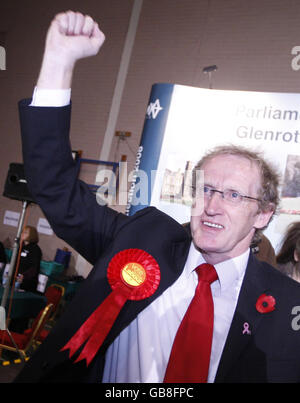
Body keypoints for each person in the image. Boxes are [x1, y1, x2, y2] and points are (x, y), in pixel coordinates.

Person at [15, 11, 300, 383]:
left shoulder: (286, 304)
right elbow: (54, 186)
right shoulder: (142, 239)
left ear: (263, 214)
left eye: (232, 195)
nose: (212, 205)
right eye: (206, 189)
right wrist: (58, 61)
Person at [16, 225, 42, 293]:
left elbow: (34, 267)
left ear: (32, 235)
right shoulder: (21, 246)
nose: (22, 234)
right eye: (22, 232)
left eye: (25, 232)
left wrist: (24, 276)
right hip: (16, 280)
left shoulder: (35, 249)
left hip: (27, 283)